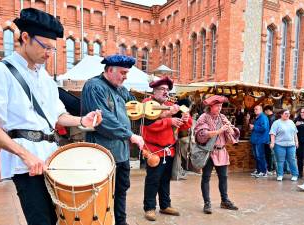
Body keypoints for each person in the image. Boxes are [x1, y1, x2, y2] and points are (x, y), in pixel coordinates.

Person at [0, 8, 102, 225]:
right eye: (45, 46)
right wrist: (25, 155)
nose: (49, 53)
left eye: (53, 49)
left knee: (61, 218)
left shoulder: (44, 77)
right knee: (41, 221)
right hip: (27, 164)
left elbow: (57, 116)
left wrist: (82, 121)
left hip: (52, 157)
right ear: (25, 37)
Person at [81, 54, 145, 225]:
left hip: (121, 153)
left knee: (121, 190)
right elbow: (104, 121)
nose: (125, 77)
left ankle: (121, 222)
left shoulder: (121, 89)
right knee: (101, 194)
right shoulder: (94, 86)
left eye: (127, 73)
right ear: (110, 70)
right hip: (102, 154)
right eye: (123, 73)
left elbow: (135, 108)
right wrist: (131, 135)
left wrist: (158, 110)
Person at [141, 76, 192, 221]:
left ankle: (165, 205)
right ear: (154, 90)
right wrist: (170, 121)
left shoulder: (171, 104)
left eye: (167, 89)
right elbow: (149, 126)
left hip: (169, 150)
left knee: (165, 180)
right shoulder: (147, 104)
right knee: (153, 180)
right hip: (154, 151)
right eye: (162, 89)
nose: (165, 92)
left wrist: (184, 116)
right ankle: (149, 208)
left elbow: (185, 126)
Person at [194, 95, 240, 214]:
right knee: (206, 178)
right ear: (211, 106)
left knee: (223, 178)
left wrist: (231, 130)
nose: (220, 108)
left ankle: (224, 201)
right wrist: (219, 131)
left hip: (221, 151)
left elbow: (233, 133)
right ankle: (207, 203)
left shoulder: (223, 117)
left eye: (220, 106)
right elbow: (201, 134)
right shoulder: (204, 117)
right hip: (209, 152)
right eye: (217, 106)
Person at [270, 109, 299, 181]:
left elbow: (295, 133)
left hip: (291, 145)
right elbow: (273, 134)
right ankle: (280, 175)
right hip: (279, 145)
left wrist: (296, 142)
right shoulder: (276, 123)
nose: (287, 115)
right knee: (280, 160)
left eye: (288, 113)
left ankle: (295, 175)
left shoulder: (291, 122)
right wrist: (272, 143)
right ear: (281, 114)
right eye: (286, 113)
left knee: (292, 160)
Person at [250, 105, 270, 178]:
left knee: (260, 156)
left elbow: (264, 128)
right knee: (256, 157)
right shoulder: (257, 118)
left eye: (256, 109)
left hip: (260, 140)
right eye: (254, 109)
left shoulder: (263, 117)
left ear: (261, 110)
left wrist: (254, 127)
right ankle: (259, 171)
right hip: (255, 140)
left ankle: (264, 172)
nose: (255, 110)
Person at [263, 105, 276, 175]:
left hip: (269, 138)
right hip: (272, 138)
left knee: (270, 154)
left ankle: (271, 168)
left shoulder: (269, 118)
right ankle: (273, 169)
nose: (264, 112)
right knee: (271, 154)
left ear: (267, 110)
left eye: (265, 111)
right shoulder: (275, 117)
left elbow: (269, 129)